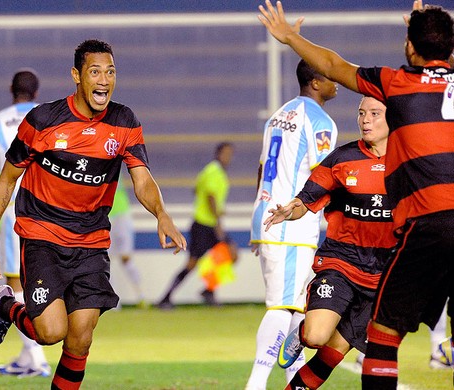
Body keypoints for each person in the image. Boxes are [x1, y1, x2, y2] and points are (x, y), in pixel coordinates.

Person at [258, 1, 454, 389]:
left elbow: (333, 66)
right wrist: (429, 37)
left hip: (433, 225)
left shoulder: (399, 83)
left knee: (384, 334)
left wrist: (290, 36)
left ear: (410, 48)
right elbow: (446, 66)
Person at [0, 39, 186, 389]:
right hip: (43, 236)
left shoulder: (124, 120)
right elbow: (7, 178)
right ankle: (7, 306)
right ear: (77, 75)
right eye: (95, 71)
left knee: (80, 338)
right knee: (50, 332)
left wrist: (161, 213)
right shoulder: (43, 120)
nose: (104, 80)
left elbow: (142, 178)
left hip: (91, 242)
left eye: (110, 72)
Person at [265, 95, 394, 389]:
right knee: (316, 337)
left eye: (375, 113)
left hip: (384, 275)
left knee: (331, 357)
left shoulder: (408, 163)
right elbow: (305, 201)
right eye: (362, 113)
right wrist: (291, 209)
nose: (365, 120)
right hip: (341, 264)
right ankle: (301, 331)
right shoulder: (342, 159)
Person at [245, 59, 338, 390]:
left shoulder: (277, 115)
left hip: (268, 214)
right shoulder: (319, 122)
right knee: (283, 307)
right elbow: (323, 178)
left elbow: (261, 169)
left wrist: (260, 217)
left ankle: (293, 382)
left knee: (298, 308)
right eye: (330, 76)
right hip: (291, 223)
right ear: (314, 82)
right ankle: (255, 384)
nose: (336, 81)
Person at [0, 69, 50, 378]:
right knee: (41, 278)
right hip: (53, 209)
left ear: (11, 90)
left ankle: (36, 356)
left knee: (16, 283)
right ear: (37, 91)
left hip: (17, 209)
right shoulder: (50, 116)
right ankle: (30, 356)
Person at [157, 142, 236, 309]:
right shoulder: (214, 171)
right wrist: (217, 219)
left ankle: (209, 290)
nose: (229, 157)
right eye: (226, 153)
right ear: (218, 153)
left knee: (230, 254)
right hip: (204, 225)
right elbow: (210, 197)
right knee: (192, 263)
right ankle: (166, 298)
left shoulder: (211, 171)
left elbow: (197, 189)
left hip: (206, 223)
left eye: (230, 154)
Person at [108, 174, 148, 309]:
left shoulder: (111, 164)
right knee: (105, 261)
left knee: (126, 259)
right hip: (105, 217)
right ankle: (114, 303)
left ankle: (142, 295)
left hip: (121, 216)